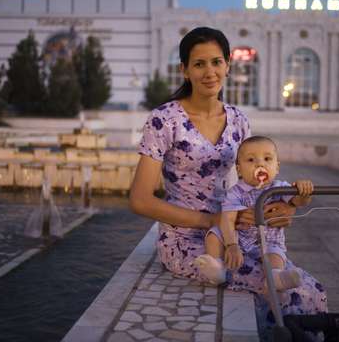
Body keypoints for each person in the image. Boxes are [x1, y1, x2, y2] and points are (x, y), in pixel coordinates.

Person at [129, 27, 326, 315]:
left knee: (311, 289)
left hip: (234, 234)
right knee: (294, 293)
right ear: (184, 70)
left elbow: (250, 184)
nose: (209, 72)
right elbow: (140, 200)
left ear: (228, 65)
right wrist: (212, 219)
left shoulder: (239, 121)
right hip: (185, 241)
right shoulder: (164, 119)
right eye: (199, 64)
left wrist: (276, 210)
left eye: (216, 62)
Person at [194, 135, 312, 293]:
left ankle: (276, 277)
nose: (260, 164)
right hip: (240, 239)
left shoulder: (280, 187)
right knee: (214, 235)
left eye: (267, 159)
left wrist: (303, 192)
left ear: (277, 167)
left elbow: (298, 202)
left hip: (269, 241)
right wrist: (232, 245)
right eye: (251, 160)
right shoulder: (235, 192)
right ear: (239, 169)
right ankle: (216, 268)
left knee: (275, 255)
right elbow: (227, 220)